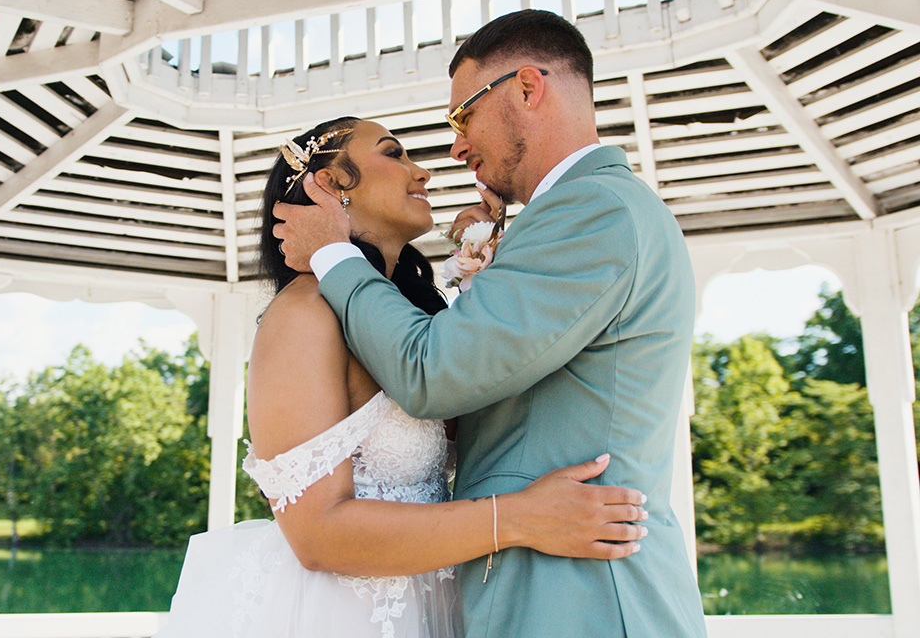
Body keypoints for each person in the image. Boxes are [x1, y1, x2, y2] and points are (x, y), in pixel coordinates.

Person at [273, 10, 709, 637]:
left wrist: (332, 252)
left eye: (463, 116)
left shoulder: (594, 209)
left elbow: (432, 373)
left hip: (584, 601)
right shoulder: (576, 215)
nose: (452, 150)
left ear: (528, 89)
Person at [156, 117, 650, 638]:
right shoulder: (303, 315)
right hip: (338, 617)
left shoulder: (419, 322)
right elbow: (317, 535)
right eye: (395, 154)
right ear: (329, 184)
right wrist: (523, 518)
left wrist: (494, 270)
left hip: (440, 607)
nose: (424, 172)